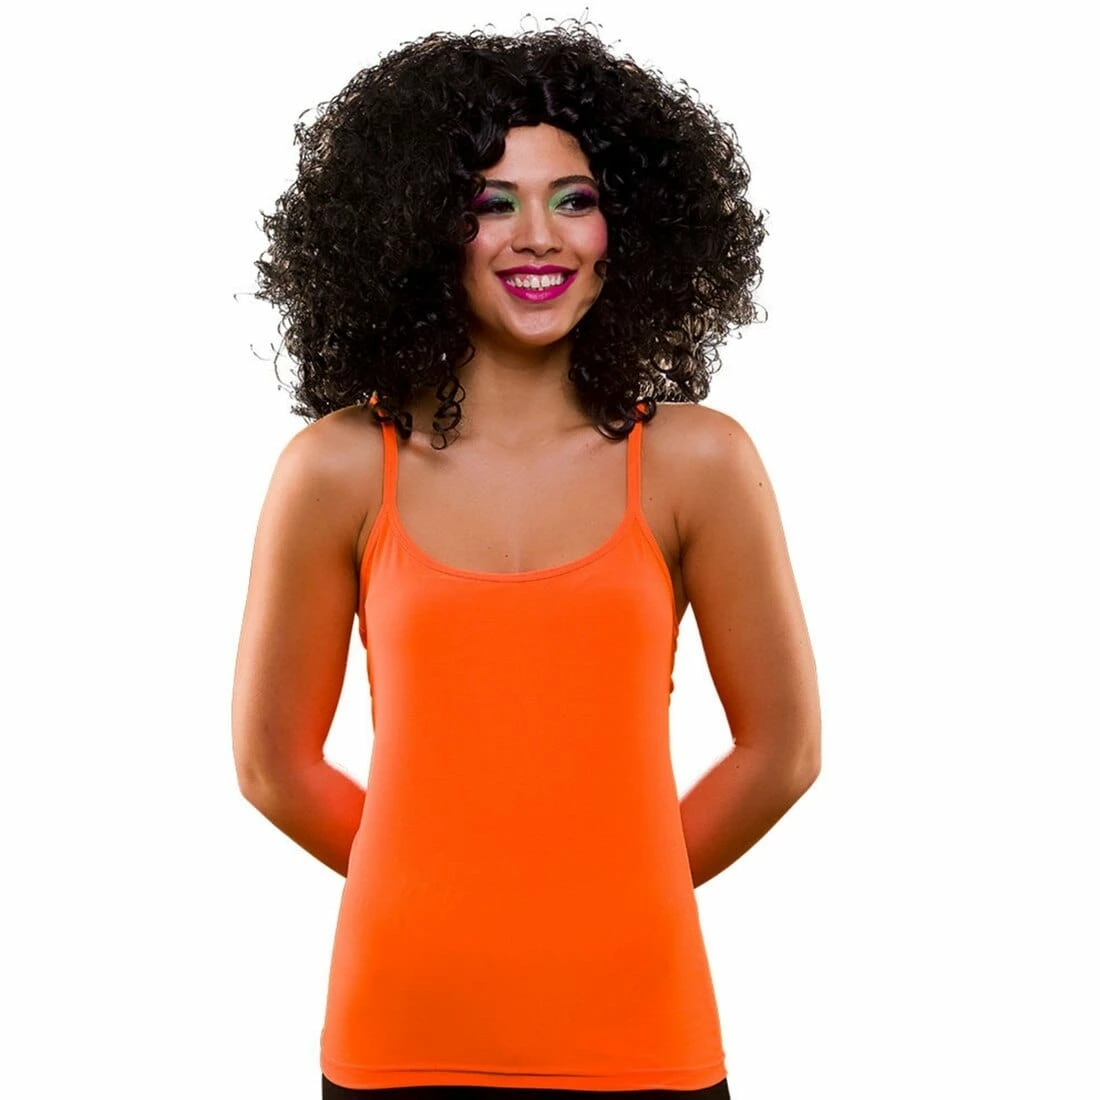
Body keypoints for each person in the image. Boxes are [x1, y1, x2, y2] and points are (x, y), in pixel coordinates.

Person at [232, 20, 821, 1100]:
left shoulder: (696, 462)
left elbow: (781, 750)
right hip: (399, 1030)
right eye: (491, 203)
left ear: (625, 227)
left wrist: (603, 898)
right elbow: (274, 765)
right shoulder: (337, 469)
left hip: (643, 1034)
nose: (538, 236)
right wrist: (452, 901)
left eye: (574, 198)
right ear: (419, 227)